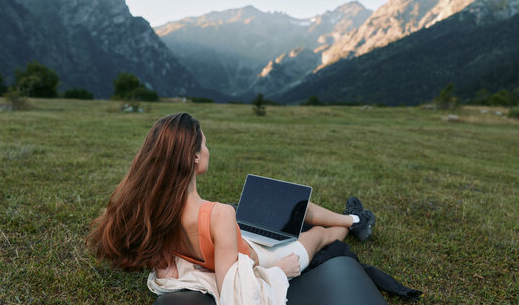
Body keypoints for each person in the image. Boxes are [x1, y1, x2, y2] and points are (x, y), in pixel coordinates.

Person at [87, 113, 375, 294]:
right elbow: (232, 293)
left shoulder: (157, 210)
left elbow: (170, 271)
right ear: (195, 157)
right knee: (317, 234)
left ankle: (353, 218)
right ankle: (354, 224)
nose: (208, 149)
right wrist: (278, 273)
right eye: (205, 144)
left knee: (297, 207)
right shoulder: (218, 214)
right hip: (263, 258)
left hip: (240, 241)